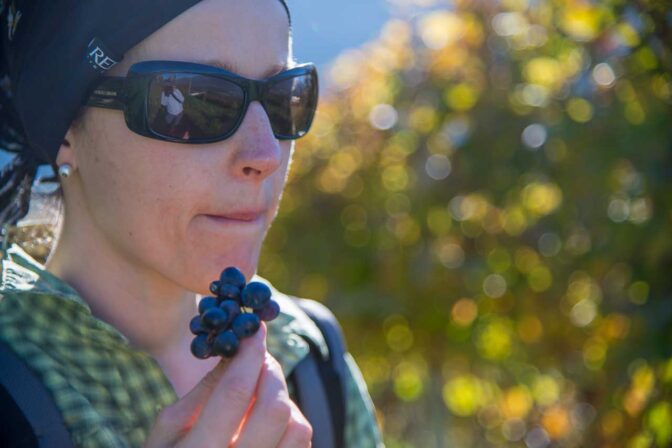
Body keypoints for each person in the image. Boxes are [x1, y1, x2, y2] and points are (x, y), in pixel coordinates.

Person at [0, 0, 383, 447]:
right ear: (65, 127)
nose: (266, 154)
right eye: (195, 103)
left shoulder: (312, 360)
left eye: (284, 99)